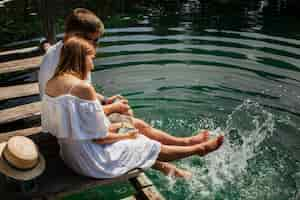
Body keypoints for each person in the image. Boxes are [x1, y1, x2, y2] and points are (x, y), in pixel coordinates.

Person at [41, 36, 224, 179]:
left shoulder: (51, 84)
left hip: (70, 155)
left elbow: (75, 126)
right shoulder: (83, 88)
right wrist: (125, 135)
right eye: (91, 58)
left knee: (133, 126)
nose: (93, 65)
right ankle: (198, 150)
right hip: (93, 161)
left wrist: (120, 128)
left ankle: (187, 144)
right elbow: (100, 138)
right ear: (80, 59)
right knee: (146, 143)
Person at [38, 8, 132, 116]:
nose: (96, 46)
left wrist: (106, 100)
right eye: (95, 40)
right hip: (69, 123)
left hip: (64, 118)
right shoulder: (73, 61)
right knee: (127, 113)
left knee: (125, 111)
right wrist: (113, 107)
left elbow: (79, 94)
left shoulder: (67, 53)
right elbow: (78, 114)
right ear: (76, 37)